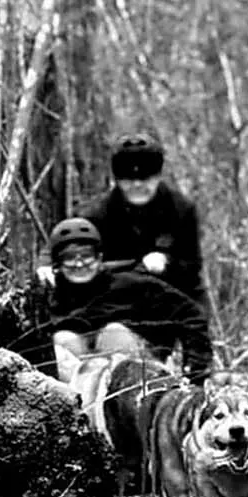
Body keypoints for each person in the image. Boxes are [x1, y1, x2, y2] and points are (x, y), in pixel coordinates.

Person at [22, 217, 213, 383]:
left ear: (99, 257)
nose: (79, 264)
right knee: (63, 340)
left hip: (138, 376)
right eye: (69, 258)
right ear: (58, 263)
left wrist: (195, 371)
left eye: (87, 256)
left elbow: (191, 314)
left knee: (113, 334)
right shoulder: (49, 296)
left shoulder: (133, 284)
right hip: (79, 382)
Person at [78, 131, 210, 313]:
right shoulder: (96, 215)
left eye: (145, 178)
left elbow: (192, 266)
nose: (137, 185)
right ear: (117, 180)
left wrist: (166, 262)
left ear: (158, 176)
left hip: (176, 295)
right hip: (118, 299)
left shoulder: (181, 209)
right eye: (128, 179)